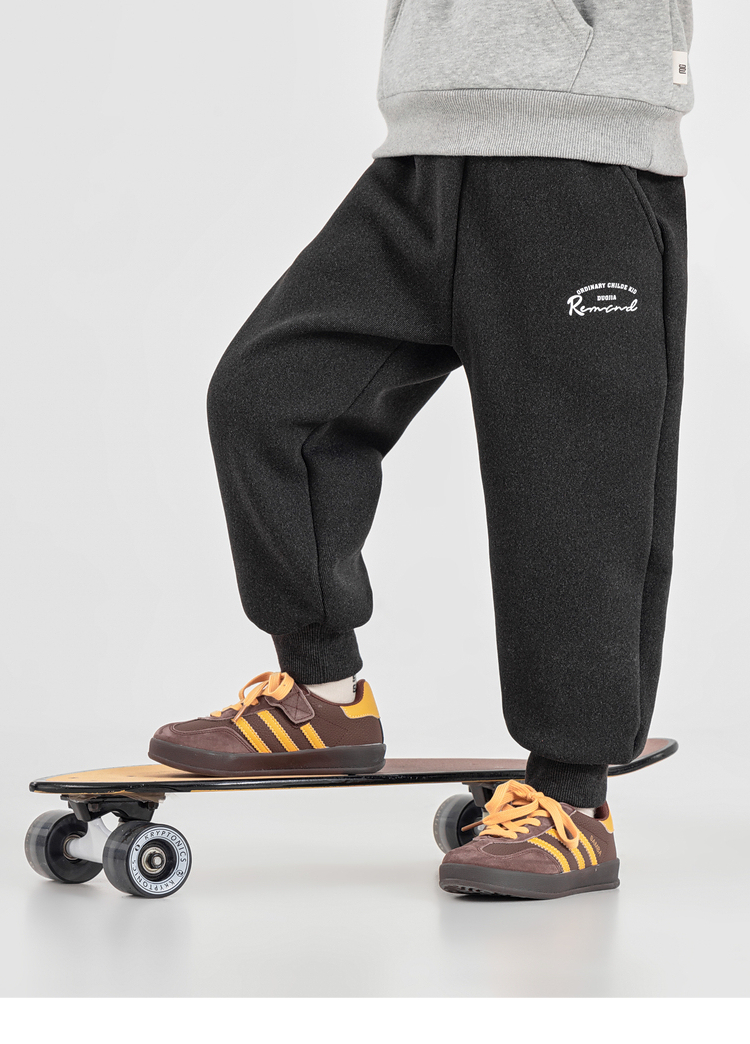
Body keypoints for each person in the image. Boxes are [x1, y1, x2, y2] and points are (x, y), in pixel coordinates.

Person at [149, 1, 693, 899]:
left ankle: (572, 796)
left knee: (572, 491)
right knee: (267, 399)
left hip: (585, 158)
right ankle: (325, 695)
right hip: (418, 157)